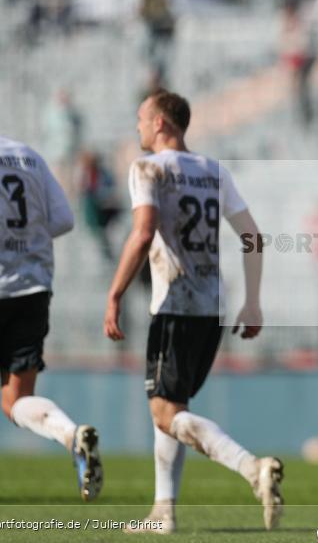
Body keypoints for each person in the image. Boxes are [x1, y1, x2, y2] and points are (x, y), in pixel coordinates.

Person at [103, 90, 283, 534]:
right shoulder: (213, 170)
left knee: (164, 413)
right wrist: (253, 301)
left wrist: (115, 293)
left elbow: (143, 232)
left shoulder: (148, 168)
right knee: (173, 408)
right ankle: (163, 512)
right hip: (212, 306)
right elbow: (253, 236)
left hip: (175, 303)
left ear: (161, 123)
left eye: (142, 118)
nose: (138, 126)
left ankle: (252, 468)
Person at [0, 77, 100, 529]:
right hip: (32, 288)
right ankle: (70, 433)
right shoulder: (29, 155)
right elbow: (63, 219)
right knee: (15, 400)